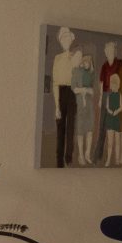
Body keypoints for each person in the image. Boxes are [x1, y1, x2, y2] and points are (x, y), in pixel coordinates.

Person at [51, 26, 77, 167]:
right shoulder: (57, 58)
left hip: (72, 92)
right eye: (63, 38)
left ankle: (69, 158)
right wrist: (56, 106)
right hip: (60, 92)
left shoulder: (75, 57)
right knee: (60, 127)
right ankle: (59, 159)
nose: (65, 40)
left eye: (67, 38)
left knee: (71, 126)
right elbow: (55, 82)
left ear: (71, 40)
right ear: (61, 41)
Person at [71, 51, 95, 165]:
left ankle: (87, 154)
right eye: (82, 60)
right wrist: (84, 90)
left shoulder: (90, 74)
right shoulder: (75, 71)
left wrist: (90, 91)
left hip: (89, 104)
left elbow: (93, 90)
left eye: (87, 62)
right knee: (80, 131)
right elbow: (74, 89)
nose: (84, 63)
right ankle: (81, 156)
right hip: (80, 103)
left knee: (90, 130)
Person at [103, 73, 122, 167]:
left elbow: (121, 107)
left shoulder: (120, 95)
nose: (113, 86)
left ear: (118, 85)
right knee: (110, 142)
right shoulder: (109, 96)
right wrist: (110, 111)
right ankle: (108, 160)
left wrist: (117, 111)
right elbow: (107, 107)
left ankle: (117, 159)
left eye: (115, 84)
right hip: (110, 120)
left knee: (118, 141)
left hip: (117, 119)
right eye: (112, 84)